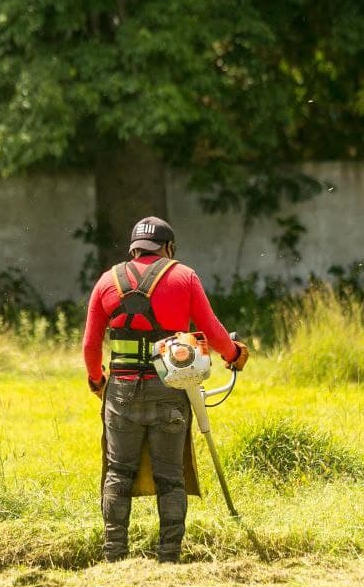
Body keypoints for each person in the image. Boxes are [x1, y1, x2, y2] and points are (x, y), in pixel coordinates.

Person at [82, 216, 248, 563]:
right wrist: (234, 355)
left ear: (133, 248)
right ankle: (169, 557)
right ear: (168, 248)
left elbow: (89, 346)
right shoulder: (184, 277)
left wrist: (98, 382)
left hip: (122, 391)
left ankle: (115, 556)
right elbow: (213, 331)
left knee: (118, 472)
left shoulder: (105, 281)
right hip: (170, 389)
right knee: (170, 476)